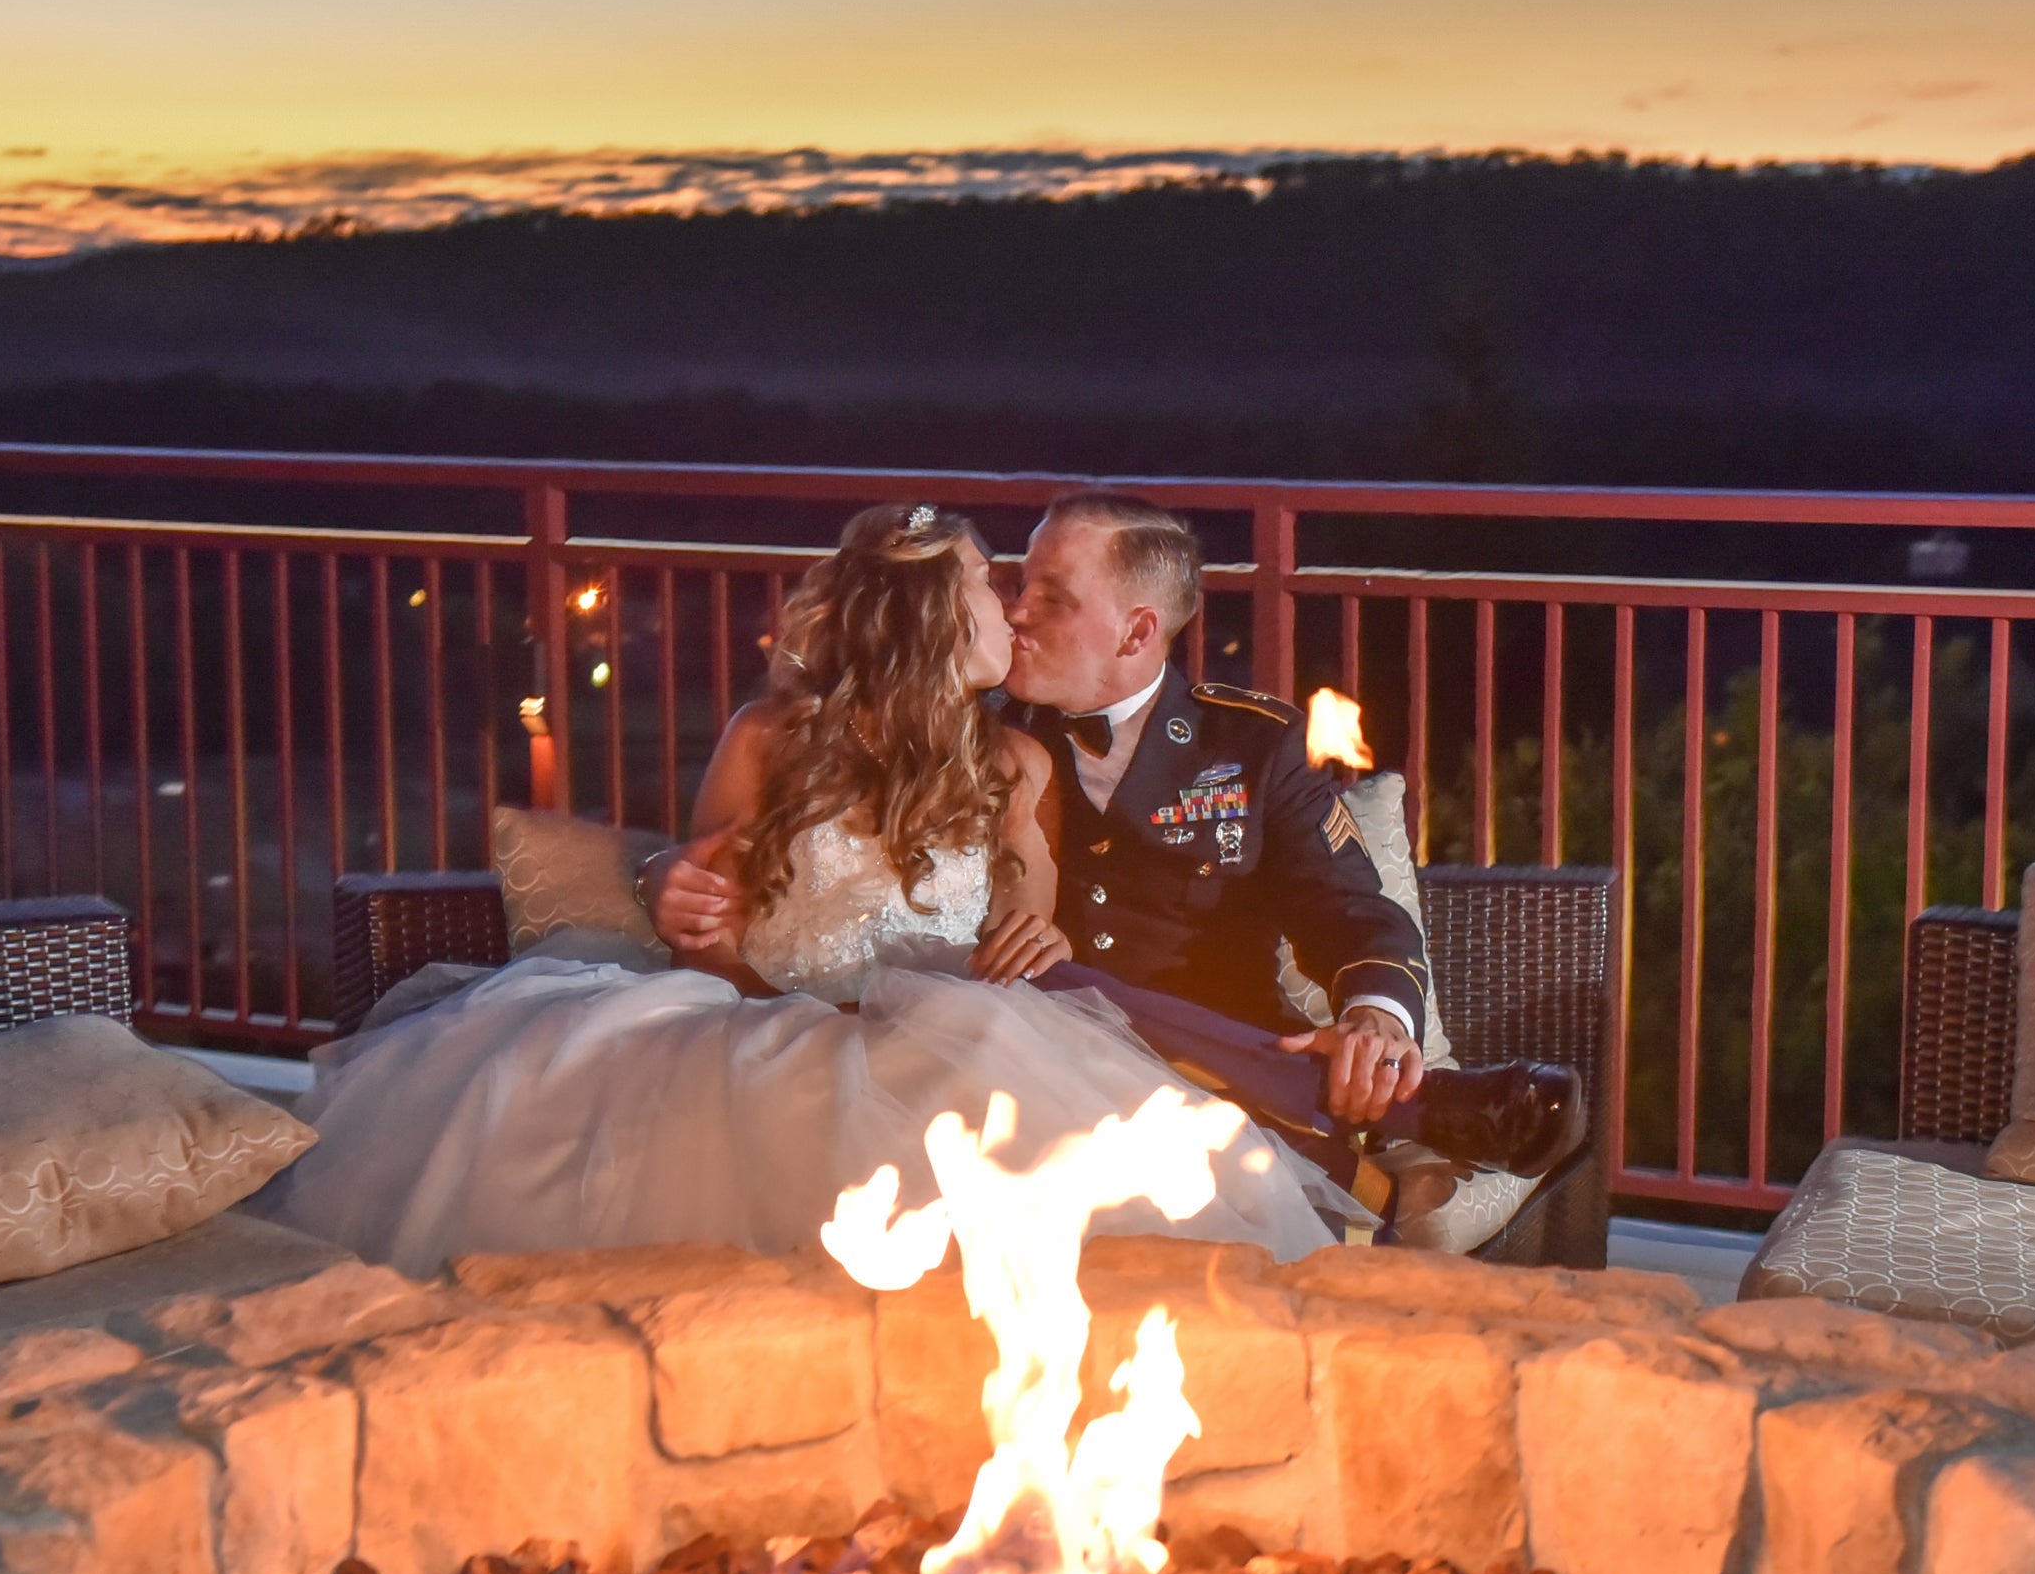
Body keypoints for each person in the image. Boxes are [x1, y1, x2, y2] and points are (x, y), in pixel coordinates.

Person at [255, 503, 1344, 1276]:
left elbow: (1033, 922)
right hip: (761, 1029)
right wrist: (678, 898)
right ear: (927, 613)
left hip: (942, 1034)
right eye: (991, 584)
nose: (1012, 607)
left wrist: (1028, 941)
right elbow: (707, 919)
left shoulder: (1016, 764)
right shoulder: (770, 739)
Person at [648, 489, 1586, 1226]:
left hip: (1178, 1050)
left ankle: (1369, 1130)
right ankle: (1386, 1148)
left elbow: (1350, 906)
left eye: (1050, 599)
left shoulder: (1248, 746)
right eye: (1011, 588)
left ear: (1139, 632)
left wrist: (1379, 1016)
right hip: (1007, 1052)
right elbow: (732, 880)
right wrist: (663, 881)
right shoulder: (979, 731)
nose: (1016, 614)